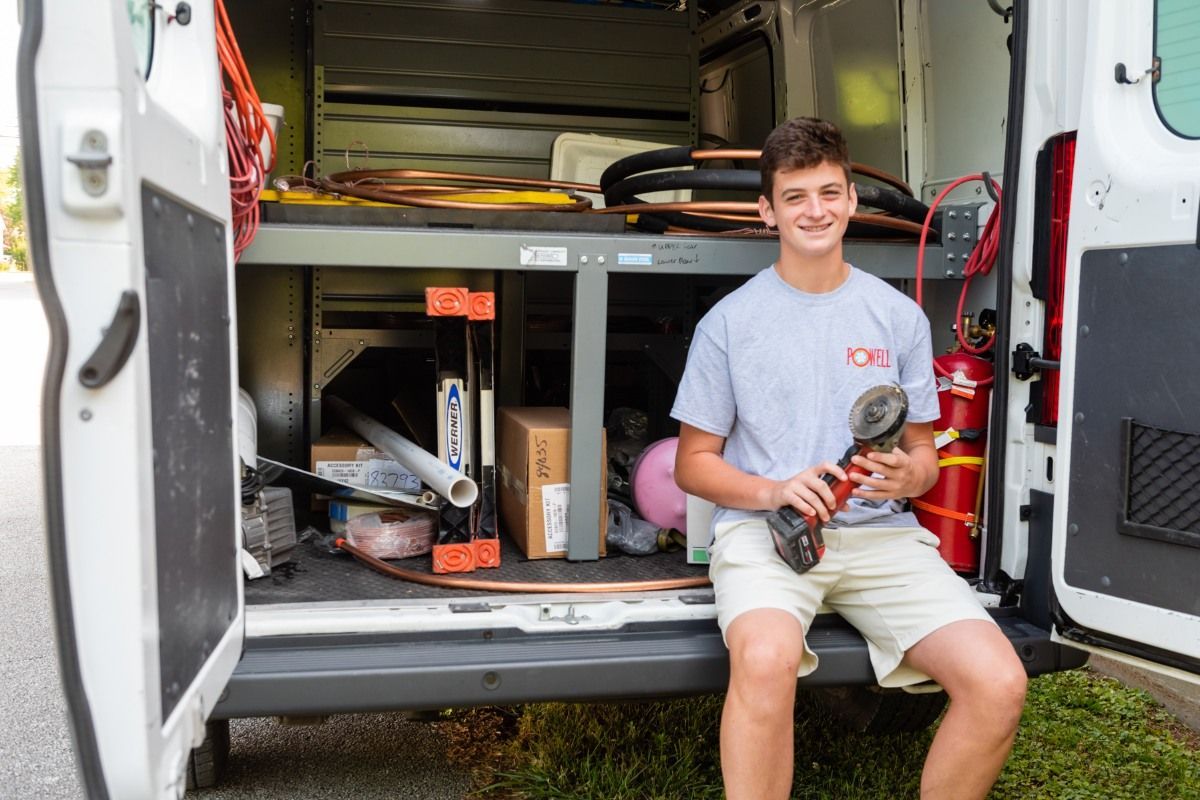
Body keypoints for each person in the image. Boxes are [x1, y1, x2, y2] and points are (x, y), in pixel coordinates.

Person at [671, 117, 1027, 800]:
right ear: (767, 211)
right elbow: (694, 464)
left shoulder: (896, 317)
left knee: (999, 682)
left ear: (852, 200)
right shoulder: (729, 323)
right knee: (766, 659)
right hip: (768, 534)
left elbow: (925, 451)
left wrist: (910, 473)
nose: (816, 210)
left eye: (829, 192)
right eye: (796, 196)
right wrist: (776, 490)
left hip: (881, 537)